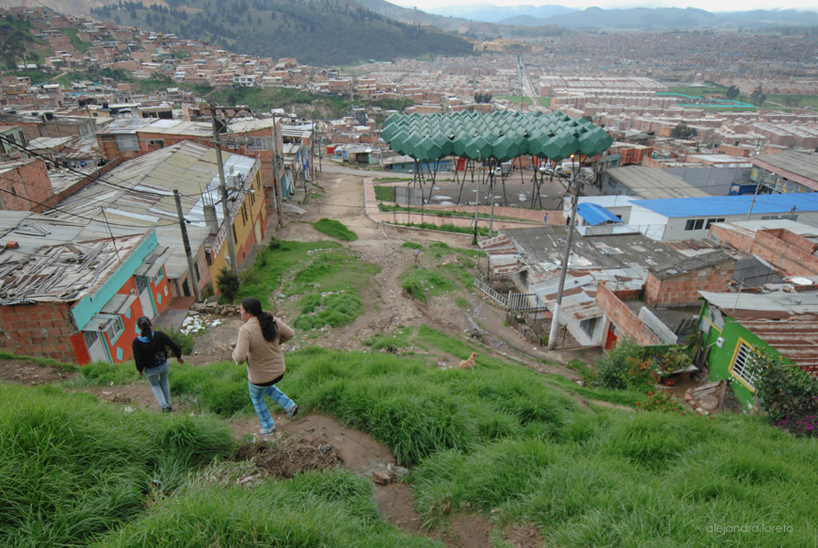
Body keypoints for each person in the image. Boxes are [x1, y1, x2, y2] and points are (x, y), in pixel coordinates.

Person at [233, 297, 299, 436]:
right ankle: (290, 405)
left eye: (241, 310)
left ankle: (268, 427)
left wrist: (240, 358)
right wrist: (275, 344)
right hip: (279, 371)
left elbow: (239, 357)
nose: (240, 313)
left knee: (256, 396)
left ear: (249, 313)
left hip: (260, 377)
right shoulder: (272, 320)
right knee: (265, 387)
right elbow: (291, 334)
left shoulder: (245, 330)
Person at [132, 316, 184, 412]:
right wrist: (179, 357)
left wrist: (140, 370)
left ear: (139, 328)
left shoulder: (136, 343)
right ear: (151, 324)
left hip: (150, 370)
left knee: (155, 385)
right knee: (164, 382)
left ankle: (163, 405)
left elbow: (138, 358)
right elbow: (173, 345)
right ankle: (168, 404)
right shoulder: (159, 335)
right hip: (163, 365)